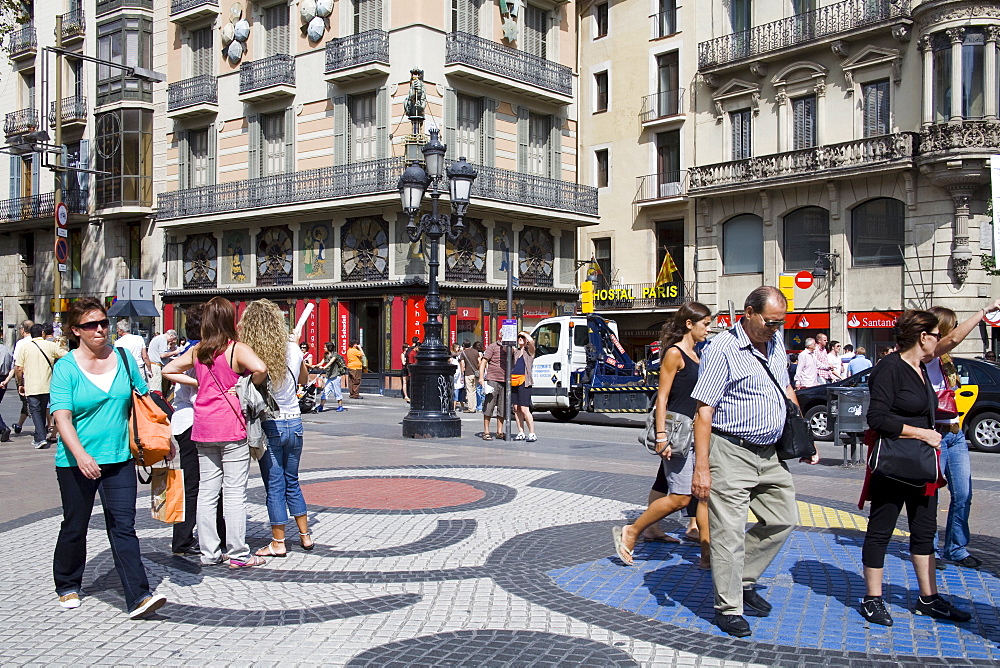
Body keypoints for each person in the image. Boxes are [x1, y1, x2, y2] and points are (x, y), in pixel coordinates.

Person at [690, 286, 820, 638]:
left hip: (770, 452)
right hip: (730, 450)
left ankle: (742, 578)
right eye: (770, 322)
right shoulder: (722, 350)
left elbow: (786, 387)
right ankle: (729, 606)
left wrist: (802, 436)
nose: (775, 329)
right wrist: (702, 468)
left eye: (780, 323)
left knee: (784, 519)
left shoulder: (775, 343)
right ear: (748, 312)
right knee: (728, 533)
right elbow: (704, 411)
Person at [49, 297, 167, 618]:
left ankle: (138, 596)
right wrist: (81, 455)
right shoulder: (66, 368)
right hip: (76, 463)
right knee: (76, 525)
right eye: (91, 325)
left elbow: (144, 398)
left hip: (120, 459)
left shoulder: (125, 358)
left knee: (124, 526)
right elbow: (62, 417)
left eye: (103, 323)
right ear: (76, 330)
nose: (100, 329)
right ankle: (68, 583)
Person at [858, 309, 973, 627]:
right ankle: (873, 599)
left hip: (923, 464)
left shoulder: (923, 367)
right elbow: (877, 418)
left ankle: (929, 598)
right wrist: (921, 432)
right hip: (894, 462)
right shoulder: (889, 368)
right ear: (923, 337)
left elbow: (952, 341)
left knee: (924, 533)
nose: (940, 341)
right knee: (880, 531)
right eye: (936, 335)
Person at [162, 296, 269, 569]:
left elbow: (168, 369)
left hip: (203, 427)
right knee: (234, 493)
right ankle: (238, 553)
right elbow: (261, 369)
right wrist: (244, 383)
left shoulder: (198, 351)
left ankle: (209, 552)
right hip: (232, 427)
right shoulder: (236, 349)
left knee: (207, 493)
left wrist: (196, 379)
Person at [614, 302, 712, 569]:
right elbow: (663, 397)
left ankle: (707, 555)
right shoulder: (675, 354)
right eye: (705, 324)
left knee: (703, 495)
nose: (709, 329)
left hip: (698, 432)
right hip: (677, 432)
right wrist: (661, 436)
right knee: (681, 497)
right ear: (690, 324)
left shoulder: (699, 354)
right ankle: (632, 531)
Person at [238, 300, 315, 557]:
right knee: (292, 480)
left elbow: (252, 383)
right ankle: (305, 536)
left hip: (271, 424)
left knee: (275, 484)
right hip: (295, 422)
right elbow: (303, 380)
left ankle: (278, 542)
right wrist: (295, 348)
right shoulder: (293, 349)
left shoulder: (259, 354)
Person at [928, 304, 1000, 569]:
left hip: (955, 435)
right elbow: (954, 339)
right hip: (934, 434)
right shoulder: (929, 354)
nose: (956, 330)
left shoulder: (947, 362)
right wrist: (983, 312)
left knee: (963, 494)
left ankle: (956, 548)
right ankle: (929, 549)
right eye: (953, 324)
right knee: (930, 495)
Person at [168, 304, 226, 558]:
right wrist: (199, 381)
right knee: (200, 481)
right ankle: (185, 538)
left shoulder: (191, 347)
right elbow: (171, 373)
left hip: (186, 420)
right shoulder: (197, 349)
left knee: (202, 480)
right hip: (193, 419)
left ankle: (210, 533)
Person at [14, 323, 66, 448]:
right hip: (47, 384)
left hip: (32, 385)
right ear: (42, 333)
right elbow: (65, 355)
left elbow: (19, 368)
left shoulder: (25, 347)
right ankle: (39, 435)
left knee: (35, 411)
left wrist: (20, 383)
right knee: (42, 410)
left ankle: (41, 438)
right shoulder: (50, 346)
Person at [479, 331, 509, 440]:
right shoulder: (492, 347)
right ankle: (486, 431)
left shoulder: (510, 348)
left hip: (505, 381)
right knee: (489, 406)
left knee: (502, 407)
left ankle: (499, 431)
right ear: (500, 335)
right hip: (493, 379)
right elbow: (483, 362)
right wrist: (482, 378)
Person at [6, 320, 33, 436]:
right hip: (41, 377)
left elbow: (17, 365)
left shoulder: (21, 343)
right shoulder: (40, 341)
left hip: (25, 377)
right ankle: (19, 424)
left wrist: (19, 381)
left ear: (22, 330)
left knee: (28, 403)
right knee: (39, 402)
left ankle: (39, 429)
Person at [511, 331, 537, 441]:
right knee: (516, 408)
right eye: (519, 337)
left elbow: (531, 342)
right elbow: (506, 347)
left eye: (522, 337)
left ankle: (532, 433)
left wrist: (524, 333)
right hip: (514, 381)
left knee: (524, 408)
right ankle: (520, 431)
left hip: (525, 382)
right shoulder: (516, 352)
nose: (520, 338)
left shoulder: (529, 352)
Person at [147, 329, 179, 396]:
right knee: (156, 389)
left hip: (154, 365)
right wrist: (174, 352)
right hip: (155, 366)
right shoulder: (163, 339)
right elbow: (162, 355)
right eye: (173, 339)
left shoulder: (159, 338)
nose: (172, 341)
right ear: (170, 336)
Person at [316, 342, 347, 412]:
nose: (324, 348)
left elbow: (330, 363)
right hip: (328, 376)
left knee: (337, 391)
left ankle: (340, 406)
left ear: (329, 348)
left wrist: (324, 367)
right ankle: (321, 406)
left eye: (325, 347)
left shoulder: (335, 354)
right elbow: (321, 363)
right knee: (325, 391)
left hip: (335, 376)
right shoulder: (326, 355)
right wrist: (314, 366)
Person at [461, 341, 481, 413]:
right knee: (474, 390)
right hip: (475, 373)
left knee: (469, 391)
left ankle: (471, 408)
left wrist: (461, 374)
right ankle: (474, 406)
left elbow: (462, 365)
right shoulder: (476, 352)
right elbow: (479, 363)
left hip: (468, 373)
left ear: (463, 346)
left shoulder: (463, 353)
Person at [0, 338, 12, 442]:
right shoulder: (7, 349)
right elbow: (13, 368)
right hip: (3, 379)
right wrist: (6, 380)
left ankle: (3, 428)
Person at [402, 337, 419, 402]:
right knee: (407, 383)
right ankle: (408, 396)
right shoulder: (411, 353)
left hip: (414, 371)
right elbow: (410, 363)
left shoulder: (415, 353)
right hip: (411, 371)